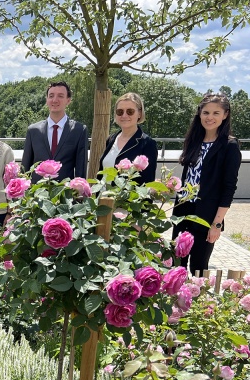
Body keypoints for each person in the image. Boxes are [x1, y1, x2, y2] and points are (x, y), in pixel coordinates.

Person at [172, 93, 241, 274]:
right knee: (176, 262)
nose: (210, 117)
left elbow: (229, 188)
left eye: (216, 113)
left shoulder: (229, 146)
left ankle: (196, 301)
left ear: (225, 114)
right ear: (200, 114)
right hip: (182, 210)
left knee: (198, 268)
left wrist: (217, 224)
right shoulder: (194, 140)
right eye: (206, 112)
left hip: (206, 216)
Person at [23, 81, 88, 181]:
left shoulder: (79, 130)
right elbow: (25, 169)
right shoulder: (33, 131)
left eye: (60, 96)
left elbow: (81, 172)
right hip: (36, 194)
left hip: (65, 193)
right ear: (47, 100)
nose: (55, 100)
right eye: (51, 96)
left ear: (68, 100)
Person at [99, 92, 158, 184]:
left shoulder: (147, 144)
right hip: (103, 197)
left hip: (127, 198)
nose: (124, 115)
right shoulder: (111, 139)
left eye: (130, 111)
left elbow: (147, 184)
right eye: (120, 112)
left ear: (139, 113)